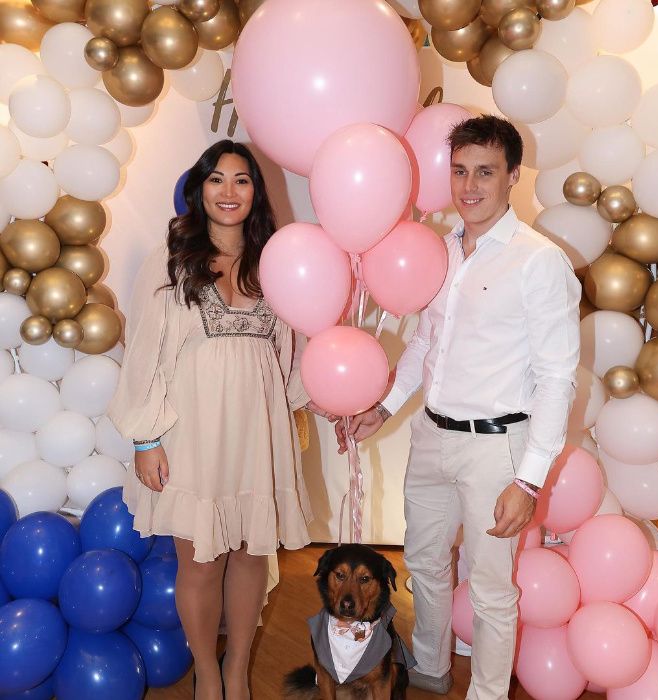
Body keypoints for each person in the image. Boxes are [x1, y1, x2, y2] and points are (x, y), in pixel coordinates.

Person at [336, 116, 580, 699]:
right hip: (432, 438)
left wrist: (529, 479)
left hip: (498, 448)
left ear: (513, 177)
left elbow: (557, 378)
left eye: (486, 172)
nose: (469, 186)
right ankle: (432, 668)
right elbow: (426, 345)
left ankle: (488, 694)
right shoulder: (439, 252)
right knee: (424, 566)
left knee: (493, 588)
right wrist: (385, 407)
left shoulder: (538, 260)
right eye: (461, 170)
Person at [109, 140, 327, 700]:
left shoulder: (276, 260)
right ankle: (208, 673)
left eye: (242, 180)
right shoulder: (172, 256)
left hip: (256, 429)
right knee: (202, 561)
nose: (229, 193)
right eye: (217, 180)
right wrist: (147, 436)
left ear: (257, 191)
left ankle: (238, 671)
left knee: (253, 553)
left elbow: (293, 354)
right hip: (192, 430)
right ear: (199, 189)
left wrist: (325, 406)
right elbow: (145, 353)